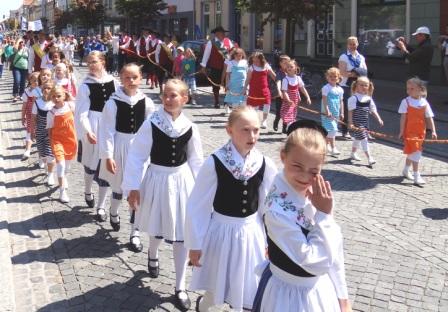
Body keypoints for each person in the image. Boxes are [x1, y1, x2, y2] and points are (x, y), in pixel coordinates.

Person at [251, 120, 351, 312]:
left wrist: (342, 295)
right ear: (283, 156)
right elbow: (314, 262)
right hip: (288, 295)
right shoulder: (275, 210)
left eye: (314, 171)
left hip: (320, 290)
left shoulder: (318, 196)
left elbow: (333, 248)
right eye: (297, 166)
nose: (305, 177)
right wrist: (323, 216)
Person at [185, 106, 277, 312]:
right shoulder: (215, 162)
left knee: (250, 284)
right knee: (217, 284)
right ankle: (204, 305)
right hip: (221, 232)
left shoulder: (264, 163)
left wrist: (271, 239)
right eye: (245, 130)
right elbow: (198, 205)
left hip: (251, 232)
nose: (252, 135)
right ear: (230, 130)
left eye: (256, 130)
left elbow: (269, 206)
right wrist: (195, 244)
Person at [123, 79, 203, 310]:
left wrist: (202, 192)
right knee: (158, 225)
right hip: (157, 179)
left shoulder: (190, 127)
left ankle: (180, 286)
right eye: (166, 95)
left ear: (184, 99)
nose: (168, 99)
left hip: (181, 180)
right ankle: (153, 252)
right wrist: (133, 187)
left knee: (182, 233)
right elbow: (137, 155)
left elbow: (196, 161)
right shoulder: (152, 123)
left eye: (174, 95)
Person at [98, 63, 155, 252]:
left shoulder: (146, 102)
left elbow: (151, 129)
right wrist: (108, 155)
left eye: (134, 77)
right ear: (121, 79)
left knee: (136, 190)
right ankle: (113, 212)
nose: (131, 81)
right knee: (118, 186)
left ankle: (135, 232)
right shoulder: (113, 102)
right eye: (127, 77)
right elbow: (106, 131)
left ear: (140, 79)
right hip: (119, 146)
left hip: (139, 150)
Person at [75, 51, 119, 219]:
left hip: (109, 126)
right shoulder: (86, 86)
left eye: (94, 61)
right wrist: (87, 130)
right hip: (93, 124)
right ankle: (87, 190)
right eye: (89, 62)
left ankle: (101, 206)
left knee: (106, 167)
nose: (91, 65)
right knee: (90, 165)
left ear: (102, 62)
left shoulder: (113, 82)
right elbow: (81, 113)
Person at [399, 77, 437, 186]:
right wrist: (401, 131)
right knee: (416, 153)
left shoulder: (424, 103)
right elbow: (403, 118)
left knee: (412, 152)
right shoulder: (405, 101)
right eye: (408, 88)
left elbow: (429, 117)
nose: (409, 91)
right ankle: (417, 176)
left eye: (412, 88)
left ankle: (406, 170)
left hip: (421, 132)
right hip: (410, 132)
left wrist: (433, 130)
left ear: (420, 89)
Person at [46, 86, 77, 203]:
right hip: (57, 141)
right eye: (53, 96)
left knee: (67, 167)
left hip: (70, 140)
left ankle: (63, 178)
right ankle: (62, 191)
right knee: (61, 165)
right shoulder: (51, 112)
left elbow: (78, 119)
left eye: (59, 96)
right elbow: (49, 128)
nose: (56, 98)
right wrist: (50, 141)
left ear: (64, 96)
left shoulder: (70, 106)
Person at [347, 77, 383, 166]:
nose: (363, 87)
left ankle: (353, 153)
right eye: (361, 85)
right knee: (364, 139)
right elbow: (350, 111)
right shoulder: (354, 98)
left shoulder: (368, 99)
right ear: (356, 85)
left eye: (365, 85)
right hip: (357, 123)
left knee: (358, 138)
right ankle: (369, 158)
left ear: (368, 86)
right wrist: (350, 122)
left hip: (365, 123)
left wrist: (379, 118)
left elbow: (373, 110)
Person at [338, 37, 367, 139]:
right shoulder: (344, 57)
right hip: (346, 86)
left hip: (358, 87)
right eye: (350, 44)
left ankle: (358, 130)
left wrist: (357, 73)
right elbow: (342, 73)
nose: (352, 46)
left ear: (357, 44)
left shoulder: (361, 57)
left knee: (358, 109)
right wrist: (356, 73)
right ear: (347, 45)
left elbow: (365, 71)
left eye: (354, 44)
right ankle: (345, 131)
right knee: (347, 109)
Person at [200, 26, 234, 108]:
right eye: (221, 33)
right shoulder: (211, 43)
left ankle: (227, 101)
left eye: (223, 33)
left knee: (228, 84)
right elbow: (206, 55)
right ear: (216, 34)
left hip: (227, 67)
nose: (223, 34)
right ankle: (217, 101)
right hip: (215, 67)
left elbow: (233, 52)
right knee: (215, 85)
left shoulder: (228, 41)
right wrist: (203, 66)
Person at [32, 81, 56, 185]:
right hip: (40, 129)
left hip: (52, 131)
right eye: (45, 88)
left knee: (50, 153)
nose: (47, 90)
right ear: (42, 90)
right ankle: (45, 163)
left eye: (49, 88)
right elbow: (33, 117)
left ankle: (50, 175)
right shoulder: (37, 102)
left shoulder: (55, 104)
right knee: (42, 153)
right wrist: (33, 130)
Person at [244, 51, 276, 129]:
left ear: (261, 60)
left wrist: (280, 84)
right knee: (254, 106)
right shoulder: (252, 67)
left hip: (264, 90)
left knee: (267, 104)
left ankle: (264, 120)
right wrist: (245, 88)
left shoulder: (266, 66)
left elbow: (274, 77)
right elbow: (248, 79)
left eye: (257, 61)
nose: (255, 62)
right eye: (254, 61)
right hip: (254, 90)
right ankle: (255, 121)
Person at [280, 60, 311, 134]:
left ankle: (287, 127)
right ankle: (288, 127)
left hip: (295, 100)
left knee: (292, 115)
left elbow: (302, 88)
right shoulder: (285, 79)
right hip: (288, 101)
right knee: (287, 114)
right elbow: (284, 91)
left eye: (291, 66)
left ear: (296, 68)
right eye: (288, 67)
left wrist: (308, 97)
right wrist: (288, 100)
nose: (289, 68)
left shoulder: (298, 78)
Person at [321, 67, 344, 156]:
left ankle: (326, 146)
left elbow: (341, 101)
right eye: (331, 76)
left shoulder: (340, 90)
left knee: (330, 130)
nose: (333, 78)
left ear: (338, 78)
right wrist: (327, 110)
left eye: (335, 76)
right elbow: (324, 100)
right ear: (327, 77)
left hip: (336, 112)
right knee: (332, 130)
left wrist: (342, 112)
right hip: (327, 112)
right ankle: (333, 147)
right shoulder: (326, 88)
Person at [21, 72, 42, 159]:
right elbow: (24, 105)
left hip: (41, 116)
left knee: (40, 134)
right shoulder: (27, 92)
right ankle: (27, 150)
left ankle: (41, 155)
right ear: (30, 81)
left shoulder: (43, 90)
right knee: (29, 131)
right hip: (30, 115)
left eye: (38, 80)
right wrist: (22, 116)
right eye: (34, 81)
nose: (36, 82)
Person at [223, 48, 248, 115]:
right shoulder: (231, 63)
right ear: (234, 55)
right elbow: (227, 75)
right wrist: (227, 84)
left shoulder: (245, 62)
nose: (239, 57)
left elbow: (248, 74)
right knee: (235, 103)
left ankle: (241, 116)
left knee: (243, 102)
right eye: (237, 55)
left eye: (240, 55)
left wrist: (247, 85)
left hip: (243, 85)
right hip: (234, 85)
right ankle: (235, 116)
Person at [272, 55, 290, 131]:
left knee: (286, 112)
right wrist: (279, 91)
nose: (286, 64)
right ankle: (276, 122)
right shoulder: (279, 73)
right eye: (284, 63)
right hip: (280, 96)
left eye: (288, 62)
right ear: (280, 63)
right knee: (279, 112)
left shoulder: (290, 72)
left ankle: (284, 128)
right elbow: (278, 82)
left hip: (288, 96)